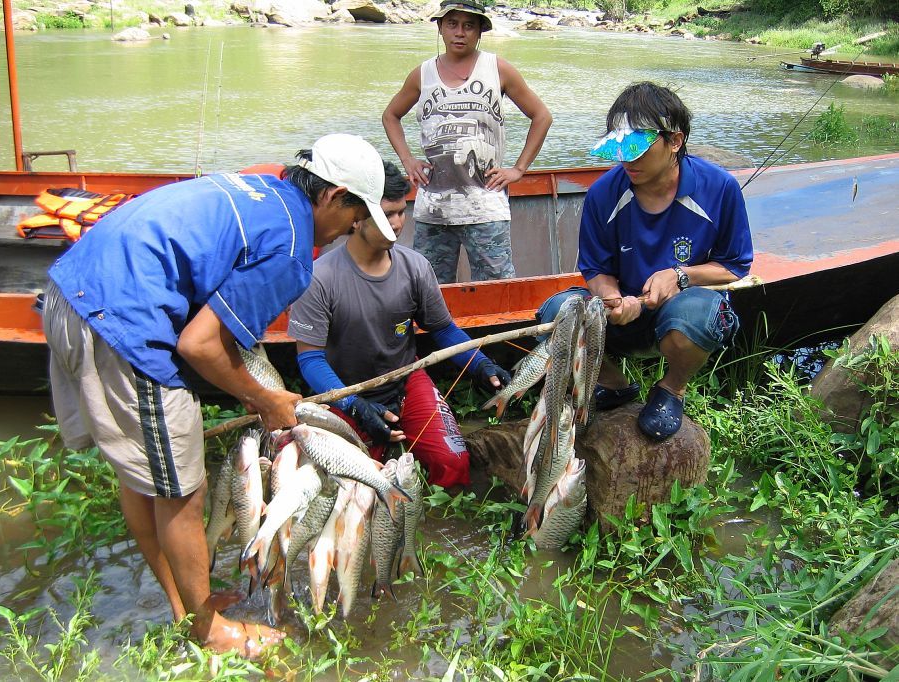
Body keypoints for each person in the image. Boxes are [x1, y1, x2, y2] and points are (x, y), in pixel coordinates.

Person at [42, 134, 395, 658]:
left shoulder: (263, 186)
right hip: (122, 321)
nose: (352, 231)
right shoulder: (294, 248)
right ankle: (211, 633)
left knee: (144, 476)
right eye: (355, 216)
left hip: (69, 291)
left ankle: (187, 612)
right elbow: (199, 344)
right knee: (184, 489)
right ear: (332, 195)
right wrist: (265, 398)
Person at [537, 82, 753, 441]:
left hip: (683, 313)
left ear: (675, 141)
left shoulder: (719, 188)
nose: (626, 160)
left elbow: (734, 266)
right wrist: (612, 299)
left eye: (637, 149)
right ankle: (612, 383)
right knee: (558, 312)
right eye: (619, 149)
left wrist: (680, 277)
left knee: (695, 316)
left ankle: (672, 388)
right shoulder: (604, 193)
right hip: (624, 314)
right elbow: (597, 268)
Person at [288, 161, 511, 487]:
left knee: (453, 461)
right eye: (386, 215)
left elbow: (443, 330)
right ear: (356, 218)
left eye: (400, 213)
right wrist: (352, 404)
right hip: (347, 392)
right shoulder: (320, 278)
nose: (396, 224)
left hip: (407, 382)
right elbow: (310, 359)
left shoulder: (416, 267)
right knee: (347, 482)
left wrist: (482, 365)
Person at [382, 0, 552, 284]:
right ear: (440, 28)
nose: (460, 32)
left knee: (498, 289)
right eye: (452, 24)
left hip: (485, 207)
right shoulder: (422, 75)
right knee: (429, 290)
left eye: (468, 26)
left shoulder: (497, 69)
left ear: (480, 32)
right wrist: (408, 160)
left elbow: (541, 116)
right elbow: (390, 115)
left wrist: (518, 169)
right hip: (434, 208)